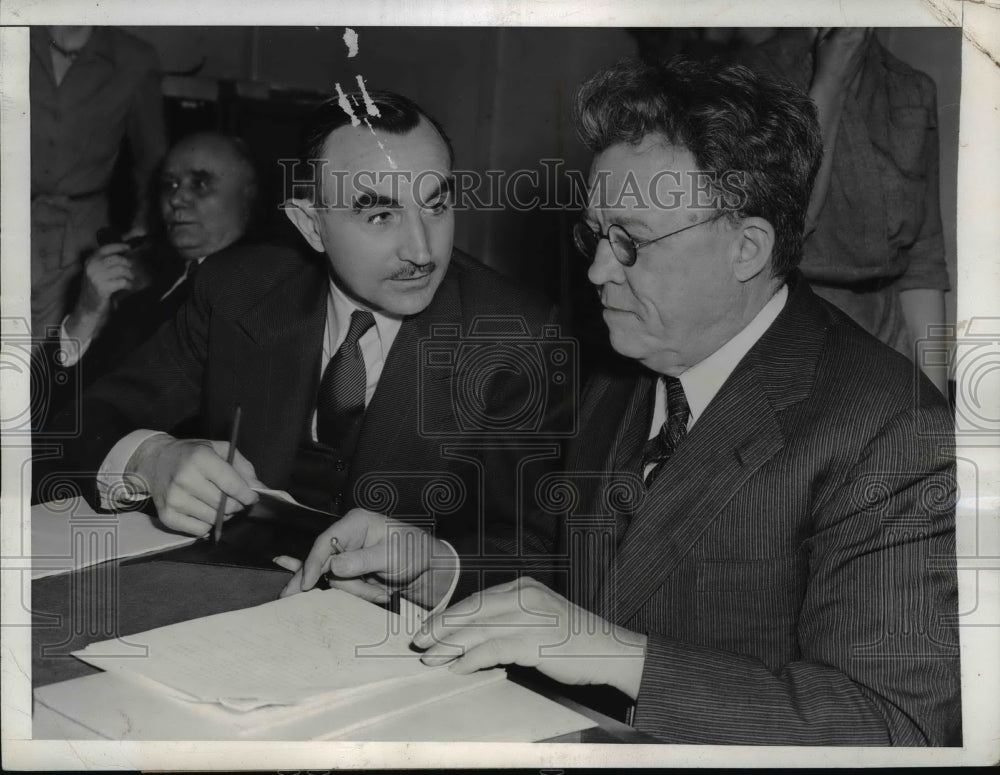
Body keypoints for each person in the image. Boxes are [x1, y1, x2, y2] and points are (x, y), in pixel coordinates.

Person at [285, 59, 959, 746]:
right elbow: (584, 578)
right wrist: (435, 565)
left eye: (630, 242)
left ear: (747, 247)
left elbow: (896, 725)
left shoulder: (893, 431)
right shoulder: (624, 371)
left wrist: (621, 656)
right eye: (596, 235)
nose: (599, 269)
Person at [61, 91, 568, 595]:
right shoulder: (235, 291)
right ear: (311, 225)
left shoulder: (513, 333)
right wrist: (150, 460)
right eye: (380, 215)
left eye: (436, 206)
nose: (421, 250)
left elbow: (549, 547)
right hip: (224, 596)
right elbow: (83, 418)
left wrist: (431, 568)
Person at [742, 28, 952, 395]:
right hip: (792, 336)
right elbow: (786, 223)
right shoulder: (753, 76)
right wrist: (830, 84)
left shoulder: (913, 89)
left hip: (892, 342)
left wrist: (934, 407)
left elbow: (923, 263)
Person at [35, 132, 258, 430]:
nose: (176, 198)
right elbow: (45, 407)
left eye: (200, 183)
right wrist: (85, 315)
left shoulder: (252, 294)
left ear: (248, 194)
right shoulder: (153, 290)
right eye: (170, 184)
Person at [31, 26, 167, 339]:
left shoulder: (135, 59)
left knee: (55, 358)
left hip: (79, 239)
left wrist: (142, 231)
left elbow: (153, 161)